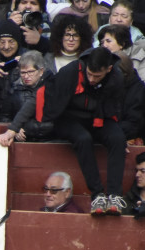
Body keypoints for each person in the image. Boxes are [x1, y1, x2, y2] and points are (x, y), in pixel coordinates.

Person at [41, 45, 128, 215]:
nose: (92, 79)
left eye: (97, 76)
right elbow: (52, 108)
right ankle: (97, 194)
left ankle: (114, 195)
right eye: (89, 74)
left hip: (98, 117)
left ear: (109, 69)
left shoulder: (116, 77)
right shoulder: (70, 72)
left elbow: (115, 111)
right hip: (68, 118)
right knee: (83, 138)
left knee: (118, 138)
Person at [0, 49, 51, 140]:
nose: (26, 76)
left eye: (30, 72)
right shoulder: (13, 89)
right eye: (23, 73)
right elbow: (4, 117)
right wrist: (15, 128)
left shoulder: (51, 86)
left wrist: (23, 128)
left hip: (46, 139)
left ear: (41, 71)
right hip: (19, 139)